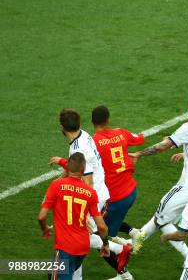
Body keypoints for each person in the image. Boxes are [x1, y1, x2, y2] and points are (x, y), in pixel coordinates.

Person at [130, 94, 188, 257]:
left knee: (162, 218)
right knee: (163, 213)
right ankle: (136, 240)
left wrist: (138, 154)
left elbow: (162, 147)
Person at [49, 109, 132, 279]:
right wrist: (61, 178)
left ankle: (120, 249)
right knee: (78, 242)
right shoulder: (83, 135)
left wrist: (86, 212)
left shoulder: (80, 149)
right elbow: (77, 168)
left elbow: (88, 182)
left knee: (77, 238)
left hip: (94, 194)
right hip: (99, 190)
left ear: (61, 128)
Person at [39, 152, 110, 280]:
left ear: (68, 168)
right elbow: (102, 226)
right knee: (56, 272)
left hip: (65, 247)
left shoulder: (56, 185)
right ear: (83, 170)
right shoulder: (91, 193)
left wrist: (45, 229)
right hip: (82, 247)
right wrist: (105, 244)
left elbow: (41, 216)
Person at [91, 106, 145, 250]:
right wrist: (138, 135)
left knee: (97, 230)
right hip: (131, 191)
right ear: (108, 120)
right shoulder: (121, 133)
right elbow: (140, 139)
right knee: (108, 221)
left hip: (114, 197)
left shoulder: (93, 143)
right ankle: (132, 233)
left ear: (92, 122)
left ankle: (123, 262)